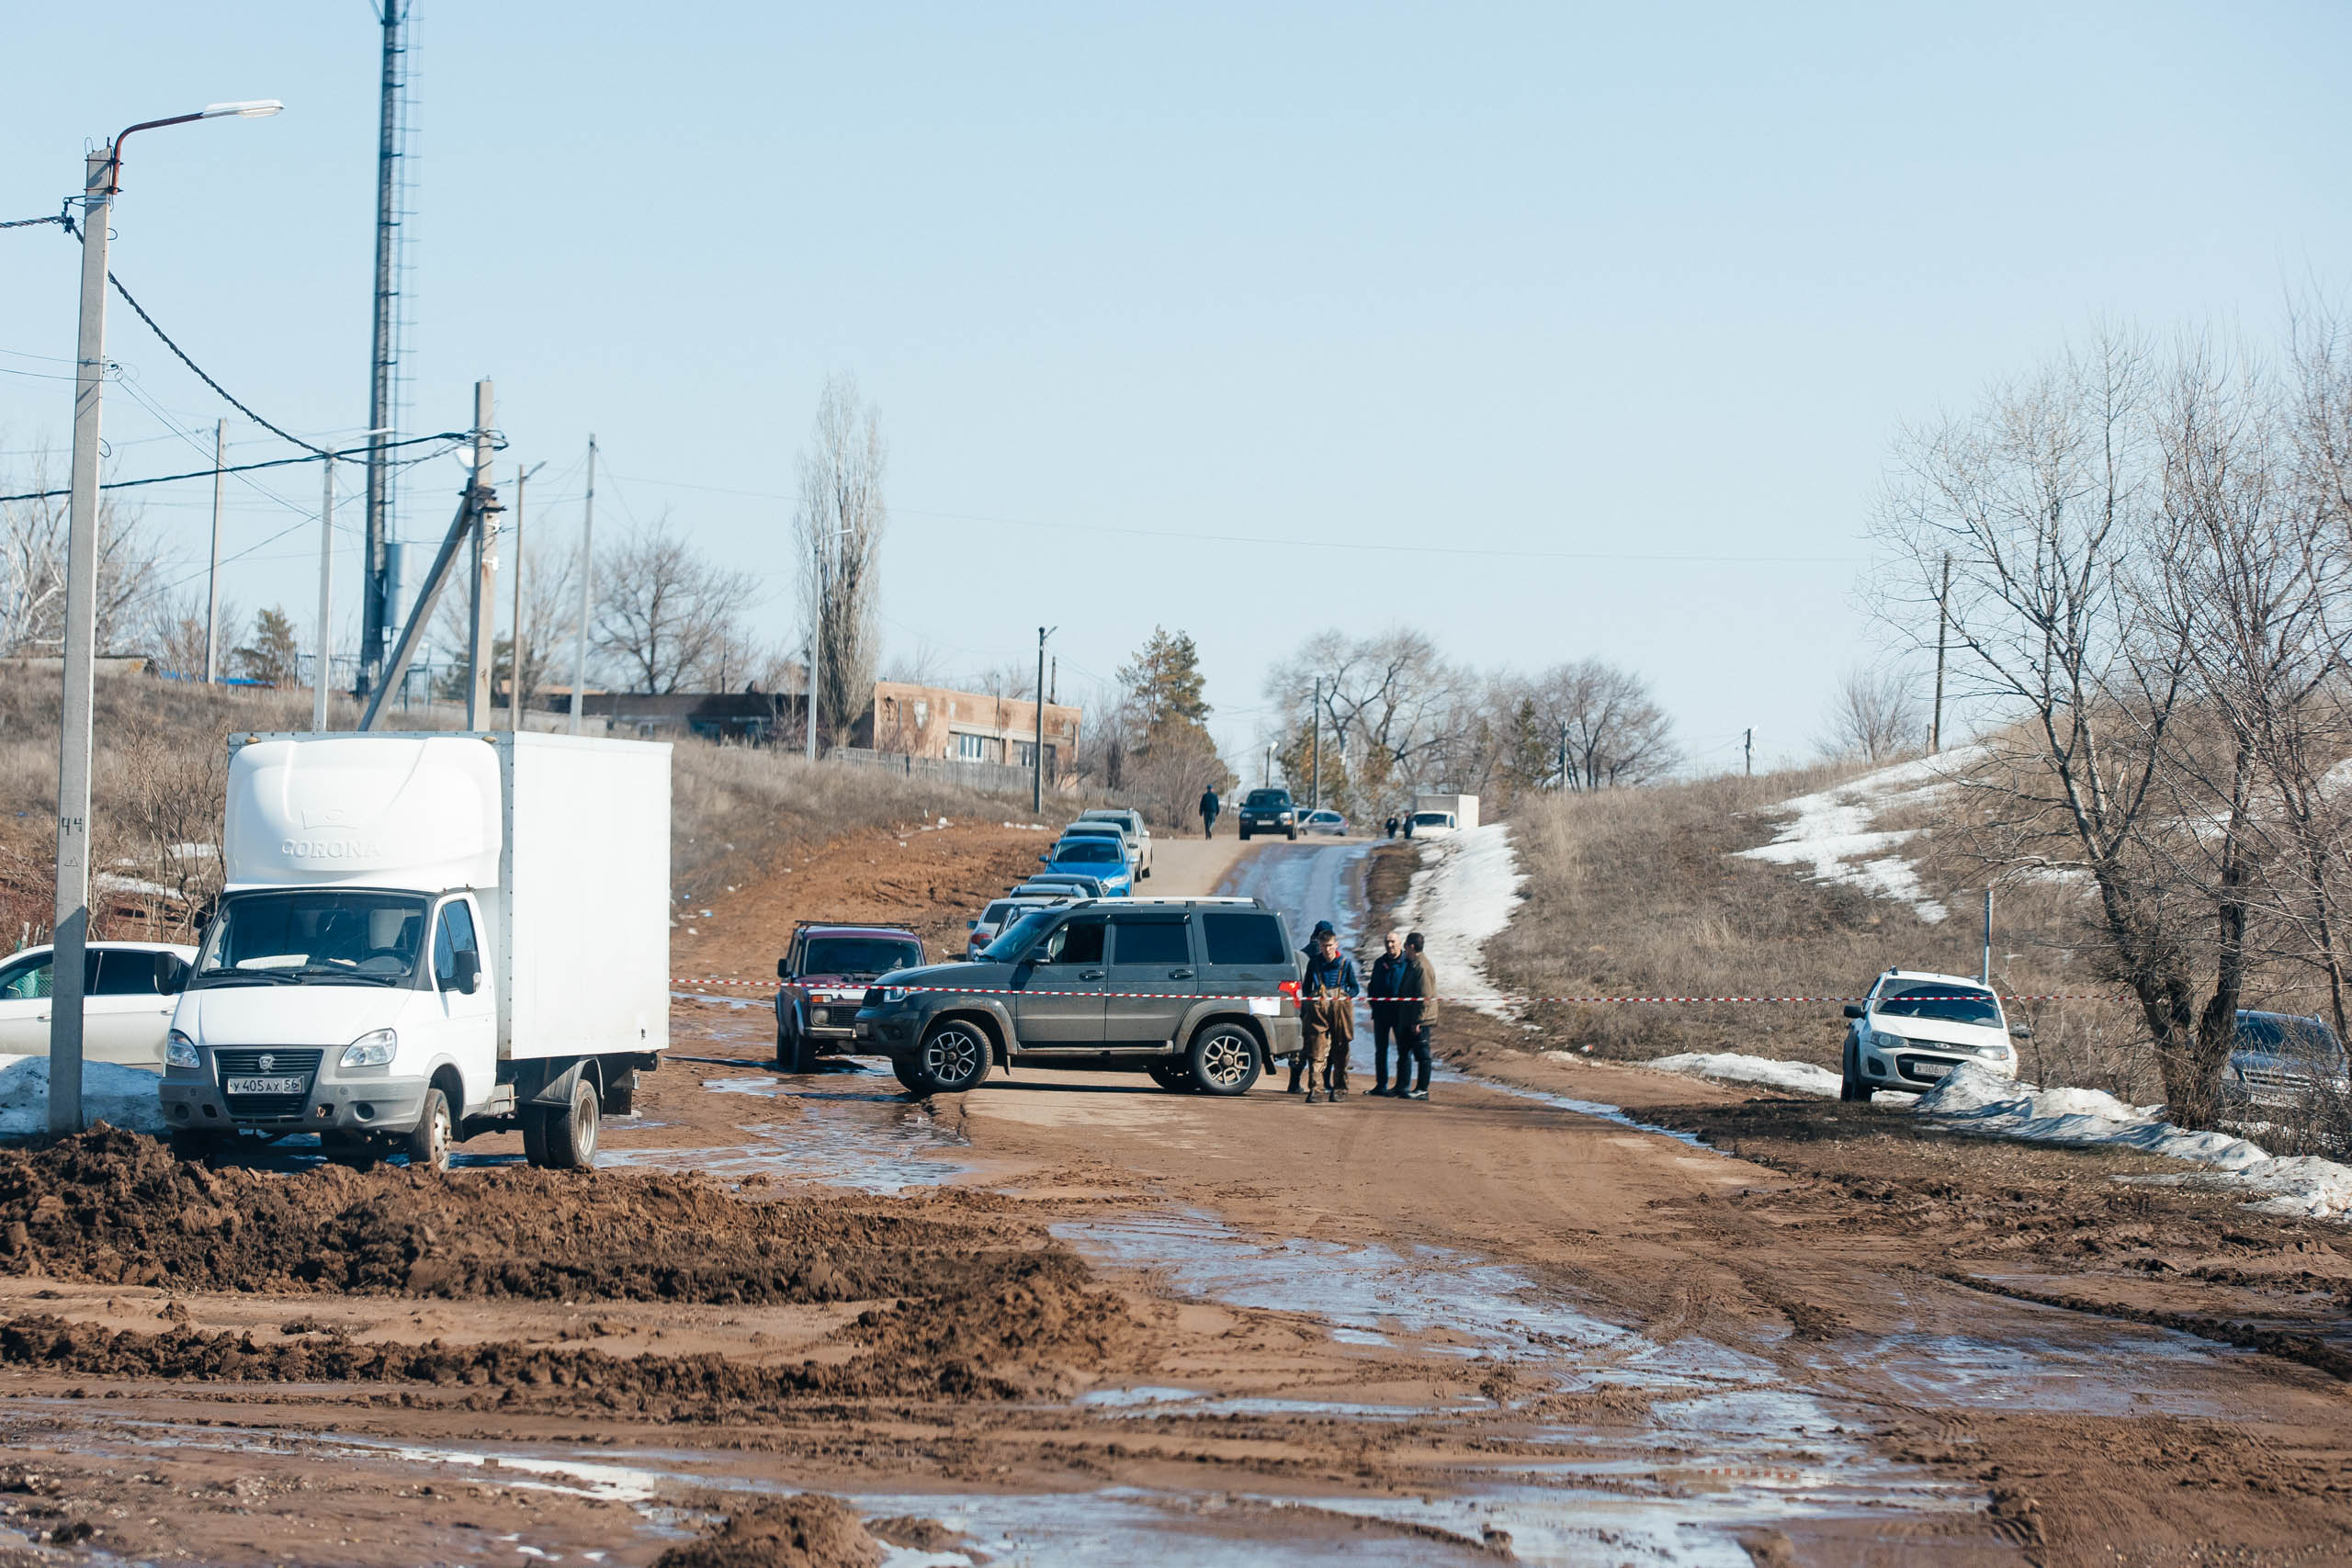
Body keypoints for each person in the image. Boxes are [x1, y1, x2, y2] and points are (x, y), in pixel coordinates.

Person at [1295, 925, 1359, 1105]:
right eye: (1324, 946)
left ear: (1336, 945)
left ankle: (1340, 1089)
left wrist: (1346, 995)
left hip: (1340, 1011)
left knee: (1341, 1050)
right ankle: (1316, 1090)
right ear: (1320, 946)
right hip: (1318, 1012)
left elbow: (1355, 988)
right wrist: (1309, 1006)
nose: (1327, 949)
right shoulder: (1314, 963)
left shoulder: (1345, 964)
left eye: (1330, 945)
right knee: (1316, 1051)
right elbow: (1306, 989)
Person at [1395, 931, 1438, 1100]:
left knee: (1422, 1055)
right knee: (1404, 1052)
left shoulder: (1422, 967)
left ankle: (1422, 1089)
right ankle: (1402, 1086)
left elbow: (1425, 996)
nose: (1404, 950)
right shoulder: (1412, 963)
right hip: (1408, 1017)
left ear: (1411, 947)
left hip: (1420, 1020)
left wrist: (1418, 1020)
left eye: (1405, 946)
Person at [1365, 931, 1408, 1096]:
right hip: (1381, 1014)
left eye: (1393, 942)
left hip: (1400, 1014)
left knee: (1403, 1050)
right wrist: (1374, 1005)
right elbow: (1372, 987)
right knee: (1380, 1051)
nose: (1390, 945)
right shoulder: (1379, 963)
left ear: (1399, 943)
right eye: (1387, 942)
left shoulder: (1407, 962)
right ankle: (1381, 1085)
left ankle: (1402, 1086)